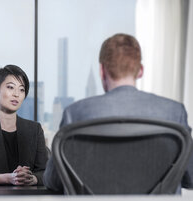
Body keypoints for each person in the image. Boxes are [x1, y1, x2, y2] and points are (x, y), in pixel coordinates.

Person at [43, 33, 193, 192]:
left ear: (102, 70)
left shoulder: (75, 113)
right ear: (140, 70)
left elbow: (54, 180)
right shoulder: (174, 112)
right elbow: (190, 178)